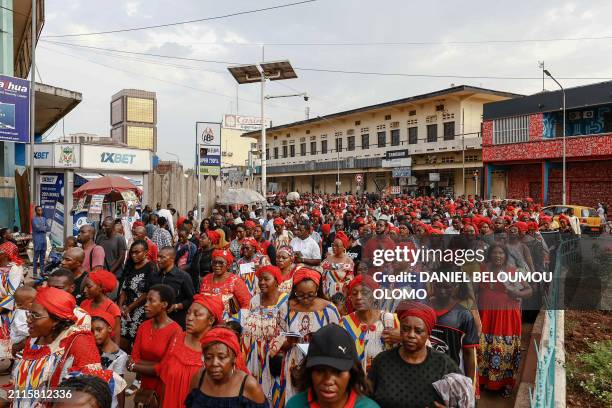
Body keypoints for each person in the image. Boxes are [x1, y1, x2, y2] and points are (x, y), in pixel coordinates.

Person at [12, 287, 105, 407]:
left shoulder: (79, 342)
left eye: (35, 315)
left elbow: (90, 396)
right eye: (29, 313)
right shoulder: (36, 337)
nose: (28, 320)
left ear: (56, 320)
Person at [368, 301, 461, 408]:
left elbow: (465, 401)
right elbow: (367, 400)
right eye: (406, 329)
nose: (411, 335)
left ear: (428, 333)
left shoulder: (444, 365)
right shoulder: (382, 362)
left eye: (418, 331)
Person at [477, 244, 532, 397]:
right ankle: (482, 381)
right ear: (490, 255)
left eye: (501, 253)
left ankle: (505, 383)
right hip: (486, 313)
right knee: (484, 346)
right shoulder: (482, 269)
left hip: (506, 315)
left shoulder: (513, 271)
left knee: (505, 347)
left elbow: (529, 290)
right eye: (494, 253)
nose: (498, 256)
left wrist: (516, 293)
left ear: (506, 255)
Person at [287, 324, 380, 408]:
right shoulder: (295, 405)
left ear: (351, 373)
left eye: (338, 371)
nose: (328, 381)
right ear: (309, 372)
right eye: (320, 371)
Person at [156, 294, 223, 408]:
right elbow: (164, 380)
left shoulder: (219, 350)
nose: (189, 318)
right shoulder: (177, 339)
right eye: (188, 313)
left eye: (196, 314)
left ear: (211, 320)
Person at [283, 268, 340, 401]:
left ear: (317, 290)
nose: (306, 299)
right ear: (294, 290)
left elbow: (339, 339)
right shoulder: (286, 308)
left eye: (310, 294)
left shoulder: (329, 309)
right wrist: (288, 341)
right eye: (300, 294)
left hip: (321, 363)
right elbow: (277, 338)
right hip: (294, 363)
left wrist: (321, 339)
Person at [236, 265, 289, 406]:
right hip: (252, 355)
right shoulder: (255, 300)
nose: (262, 282)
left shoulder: (285, 302)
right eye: (260, 279)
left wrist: (272, 349)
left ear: (277, 281)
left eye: (267, 279)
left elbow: (287, 332)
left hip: (272, 357)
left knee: (272, 392)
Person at [185, 327, 268, 407]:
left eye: (221, 357)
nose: (214, 363)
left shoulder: (250, 386)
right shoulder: (199, 378)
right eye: (208, 357)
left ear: (234, 358)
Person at [127, 284, 182, 399]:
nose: (146, 305)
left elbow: (165, 368)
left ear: (164, 305)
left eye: (151, 301)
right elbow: (134, 358)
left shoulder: (176, 331)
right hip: (145, 388)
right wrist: (156, 366)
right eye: (146, 300)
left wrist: (134, 366)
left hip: (164, 388)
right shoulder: (143, 326)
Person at [340, 275, 399, 373]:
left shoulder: (390, 320)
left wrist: (402, 337)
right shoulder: (344, 324)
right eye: (354, 294)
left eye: (364, 293)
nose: (359, 297)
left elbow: (421, 346)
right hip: (356, 384)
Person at [429, 282, 479, 387]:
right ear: (432, 285)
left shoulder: (464, 315)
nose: (442, 291)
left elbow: (469, 353)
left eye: (447, 286)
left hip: (450, 378)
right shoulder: (422, 308)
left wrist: (468, 386)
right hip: (425, 374)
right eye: (438, 285)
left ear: (455, 287)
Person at [118, 240, 155, 350]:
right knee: (123, 338)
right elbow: (124, 290)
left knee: (137, 340)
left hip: (141, 310)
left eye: (137, 252)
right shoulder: (130, 267)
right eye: (132, 253)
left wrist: (130, 308)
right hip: (126, 311)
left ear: (146, 252)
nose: (134, 255)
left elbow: (147, 293)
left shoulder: (151, 268)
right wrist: (120, 307)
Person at [146, 247, 195, 329]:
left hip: (175, 321)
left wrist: (176, 306)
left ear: (172, 259)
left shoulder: (183, 277)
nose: (158, 259)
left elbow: (192, 299)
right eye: (158, 256)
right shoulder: (154, 276)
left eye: (162, 257)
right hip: (155, 322)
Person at [199, 249, 251, 320]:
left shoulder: (235, 281)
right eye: (214, 262)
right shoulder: (206, 279)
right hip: (206, 321)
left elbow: (246, 305)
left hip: (228, 323)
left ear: (228, 265)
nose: (217, 265)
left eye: (221, 263)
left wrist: (235, 321)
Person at [91, 310, 127, 408]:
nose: (95, 334)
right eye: (92, 331)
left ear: (110, 329)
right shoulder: (94, 349)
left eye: (99, 330)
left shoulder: (119, 355)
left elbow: (120, 386)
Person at [81, 270, 121, 345]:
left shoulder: (112, 309)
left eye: (89, 287)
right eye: (85, 286)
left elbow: (116, 339)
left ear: (100, 287)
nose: (84, 290)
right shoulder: (84, 304)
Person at [0, 246, 24, 365]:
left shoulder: (15, 268)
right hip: (3, 304)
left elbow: (13, 292)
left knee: (9, 331)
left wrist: (2, 306)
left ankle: (9, 361)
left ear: (5, 254)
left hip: (9, 306)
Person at [321, 232, 354, 299]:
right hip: (325, 293)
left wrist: (343, 296)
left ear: (343, 247)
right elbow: (320, 271)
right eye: (333, 245)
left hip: (339, 295)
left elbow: (349, 280)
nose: (334, 248)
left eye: (337, 246)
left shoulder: (348, 261)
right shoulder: (328, 258)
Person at [32, 205, 49, 277]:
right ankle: (35, 273)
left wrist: (43, 227)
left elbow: (48, 227)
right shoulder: (33, 219)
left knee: (43, 257)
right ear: (36, 211)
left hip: (43, 240)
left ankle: (42, 272)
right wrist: (44, 228)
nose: (40, 211)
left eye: (41, 210)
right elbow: (37, 228)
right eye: (38, 210)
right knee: (36, 257)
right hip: (37, 239)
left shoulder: (44, 219)